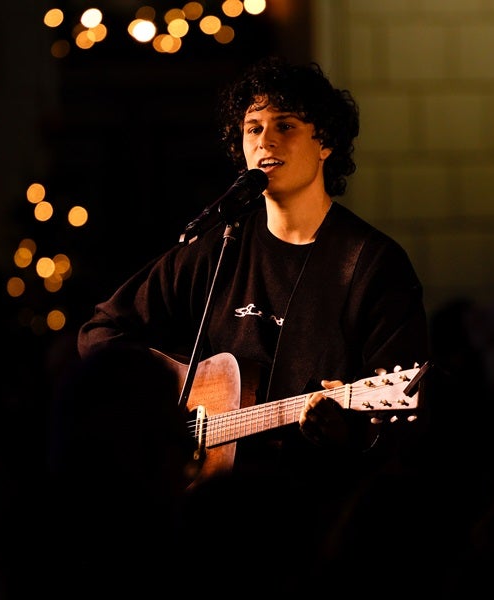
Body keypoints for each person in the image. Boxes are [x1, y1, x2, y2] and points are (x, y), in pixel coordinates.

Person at [76, 56, 431, 515]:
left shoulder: (372, 264)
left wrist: (348, 430)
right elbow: (100, 331)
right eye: (253, 128)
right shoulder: (219, 245)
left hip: (314, 513)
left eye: (285, 126)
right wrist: (173, 398)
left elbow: (403, 420)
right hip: (207, 514)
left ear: (325, 143)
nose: (265, 141)